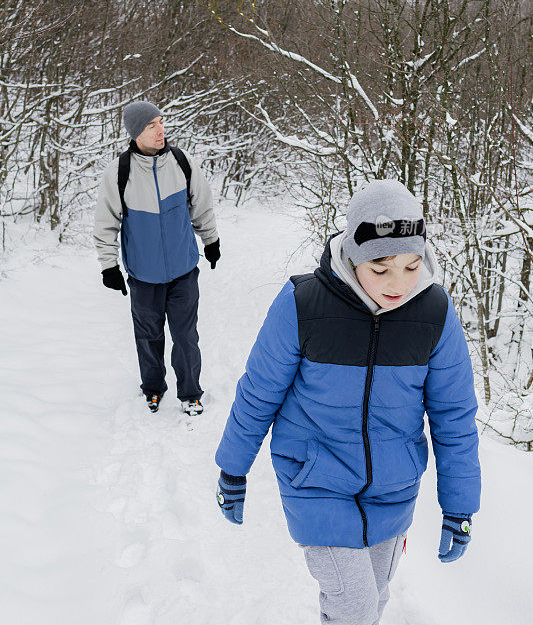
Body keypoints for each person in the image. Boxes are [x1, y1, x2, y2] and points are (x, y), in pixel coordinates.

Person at [215, 180, 480, 624]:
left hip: (393, 488)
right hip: (316, 479)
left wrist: (460, 505)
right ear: (354, 256)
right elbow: (259, 392)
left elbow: (454, 417)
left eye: (413, 266)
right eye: (381, 269)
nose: (399, 284)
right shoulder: (303, 304)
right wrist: (233, 467)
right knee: (354, 608)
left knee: (373, 600)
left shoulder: (434, 314)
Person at [93, 100, 220, 416]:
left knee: (186, 337)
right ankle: (152, 388)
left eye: (161, 122)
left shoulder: (182, 162)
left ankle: (190, 393)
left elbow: (201, 206)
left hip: (183, 271)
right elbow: (106, 222)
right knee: (148, 337)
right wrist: (109, 266)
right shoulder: (119, 172)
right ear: (136, 132)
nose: (161, 130)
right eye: (152, 125)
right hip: (143, 275)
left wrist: (211, 241)